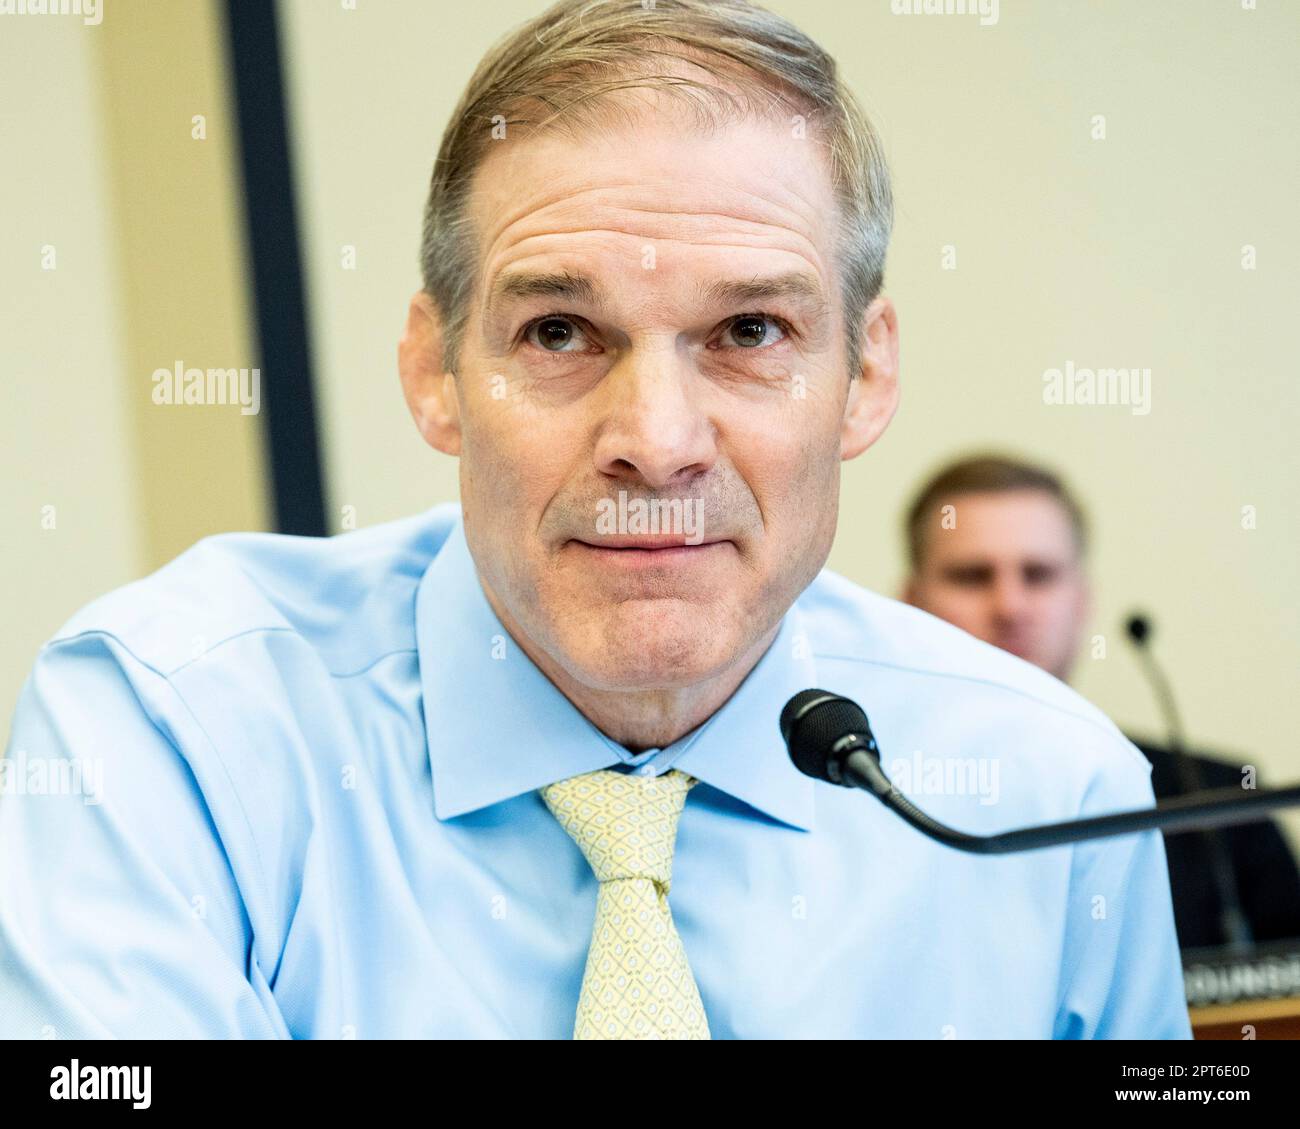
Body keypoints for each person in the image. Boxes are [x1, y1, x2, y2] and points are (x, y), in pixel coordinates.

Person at [0, 0, 1190, 1039]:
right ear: (433, 370)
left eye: (749, 333)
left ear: (864, 379)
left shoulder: (1048, 792)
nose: (658, 438)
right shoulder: (174, 732)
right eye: (561, 332)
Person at [902, 452, 1300, 951]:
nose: (1010, 606)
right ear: (910, 602)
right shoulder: (851, 793)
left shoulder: (1217, 806)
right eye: (973, 576)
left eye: (1039, 574)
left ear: (1082, 600)